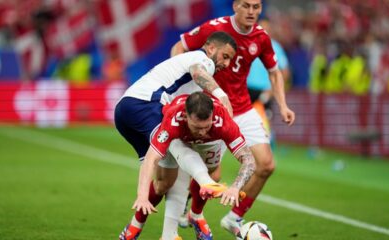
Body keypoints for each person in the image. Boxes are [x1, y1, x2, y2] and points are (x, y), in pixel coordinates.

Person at [170, 0, 295, 237]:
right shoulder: (214, 28)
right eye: (246, 6)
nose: (251, 12)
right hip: (214, 109)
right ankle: (188, 205)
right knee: (212, 175)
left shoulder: (261, 38)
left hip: (244, 108)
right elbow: (180, 47)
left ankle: (234, 217)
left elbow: (274, 72)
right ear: (236, 6)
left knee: (266, 165)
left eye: (256, 7)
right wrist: (179, 81)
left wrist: (283, 104)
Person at [115, 31, 237, 240]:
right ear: (210, 48)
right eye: (225, 56)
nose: (226, 63)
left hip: (126, 111)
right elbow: (199, 72)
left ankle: (132, 230)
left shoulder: (188, 72)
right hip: (145, 105)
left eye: (230, 59)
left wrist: (142, 195)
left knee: (164, 182)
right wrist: (221, 95)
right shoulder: (201, 59)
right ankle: (203, 184)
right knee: (180, 148)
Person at [120, 92, 256, 240]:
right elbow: (150, 159)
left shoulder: (222, 121)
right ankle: (136, 223)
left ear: (212, 115)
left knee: (214, 177)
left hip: (213, 141)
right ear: (185, 116)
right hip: (178, 138)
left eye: (206, 126)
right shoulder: (173, 119)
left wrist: (235, 188)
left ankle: (195, 215)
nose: (203, 132)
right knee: (162, 185)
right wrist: (142, 196)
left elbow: (249, 160)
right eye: (197, 127)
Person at [247, 18, 290, 149]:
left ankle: (266, 147)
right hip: (246, 88)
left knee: (265, 118)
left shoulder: (275, 47)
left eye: (267, 29)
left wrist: (272, 89)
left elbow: (285, 71)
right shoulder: (248, 44)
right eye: (261, 28)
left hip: (265, 88)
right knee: (245, 120)